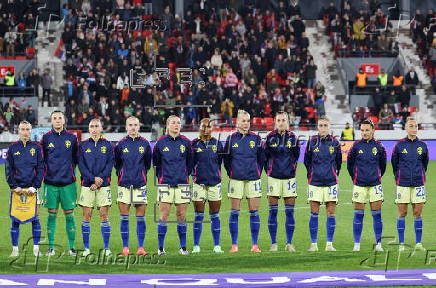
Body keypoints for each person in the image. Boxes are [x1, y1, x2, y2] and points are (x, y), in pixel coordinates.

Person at [223, 110, 264, 253]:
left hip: (253, 179)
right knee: (234, 212)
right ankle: (234, 245)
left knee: (254, 212)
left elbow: (261, 159)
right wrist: (232, 173)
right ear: (237, 122)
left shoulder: (256, 139)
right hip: (236, 180)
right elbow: (226, 161)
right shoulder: (230, 139)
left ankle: (255, 245)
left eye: (248, 121)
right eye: (243, 120)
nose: (246, 123)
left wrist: (257, 172)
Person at [153, 115, 193, 255]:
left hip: (183, 184)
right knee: (164, 216)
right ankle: (160, 248)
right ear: (167, 125)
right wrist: (162, 177)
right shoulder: (160, 142)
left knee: (182, 216)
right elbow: (156, 163)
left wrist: (183, 175)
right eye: (173, 123)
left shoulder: (186, 142)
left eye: (178, 123)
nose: (176, 125)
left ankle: (183, 247)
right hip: (165, 184)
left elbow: (190, 163)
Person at [41, 111, 78, 256]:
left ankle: (72, 247)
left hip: (68, 183)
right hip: (50, 183)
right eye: (54, 118)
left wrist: (68, 171)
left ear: (64, 120)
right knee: (51, 215)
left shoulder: (72, 138)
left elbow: (75, 158)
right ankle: (51, 248)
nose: (57, 120)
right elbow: (43, 159)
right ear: (51, 121)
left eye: (59, 118)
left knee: (70, 215)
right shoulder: (46, 138)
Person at [347, 119, 387, 252]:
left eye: (367, 130)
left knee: (377, 215)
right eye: (362, 130)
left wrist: (376, 176)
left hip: (375, 185)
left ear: (373, 130)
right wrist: (356, 178)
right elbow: (349, 165)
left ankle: (379, 244)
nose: (364, 133)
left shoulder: (379, 146)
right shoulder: (356, 146)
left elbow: (383, 166)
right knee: (358, 215)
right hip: (359, 185)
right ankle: (356, 244)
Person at [114, 116, 152, 256]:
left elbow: (147, 164)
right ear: (126, 127)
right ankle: (125, 248)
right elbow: (117, 164)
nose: (133, 127)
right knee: (124, 217)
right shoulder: (120, 144)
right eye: (130, 125)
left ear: (139, 126)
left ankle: (141, 248)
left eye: (135, 125)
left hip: (140, 185)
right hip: (124, 185)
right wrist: (123, 175)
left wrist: (140, 174)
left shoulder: (145, 144)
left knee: (140, 217)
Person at [304, 116, 342, 252]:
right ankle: (313, 244)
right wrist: (312, 174)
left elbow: (339, 162)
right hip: (315, 182)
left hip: (331, 182)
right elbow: (307, 161)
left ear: (330, 127)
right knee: (314, 213)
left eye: (326, 125)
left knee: (331, 213)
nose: (323, 128)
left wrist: (333, 174)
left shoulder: (335, 143)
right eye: (321, 125)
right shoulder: (312, 142)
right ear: (317, 127)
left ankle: (329, 244)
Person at [6, 121, 44, 257]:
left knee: (36, 219)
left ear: (31, 131)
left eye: (28, 129)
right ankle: (15, 249)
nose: (25, 132)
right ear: (18, 131)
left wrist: (35, 186)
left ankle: (36, 249)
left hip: (32, 190)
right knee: (15, 220)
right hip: (17, 190)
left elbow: (40, 169)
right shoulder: (12, 148)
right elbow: (8, 170)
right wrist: (14, 186)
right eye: (23, 129)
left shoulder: (37, 148)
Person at [264, 111, 300, 252]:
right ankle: (274, 243)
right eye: (278, 120)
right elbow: (264, 157)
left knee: (289, 213)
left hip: (289, 179)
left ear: (288, 122)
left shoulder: (294, 138)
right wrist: (269, 171)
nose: (281, 122)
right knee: (273, 212)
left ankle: (289, 243)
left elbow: (296, 156)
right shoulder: (269, 137)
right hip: (273, 178)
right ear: (275, 122)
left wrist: (291, 169)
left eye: (283, 120)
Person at [77, 118, 114, 257]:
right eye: (91, 126)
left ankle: (106, 248)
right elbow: (81, 165)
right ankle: (86, 248)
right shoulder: (83, 145)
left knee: (104, 216)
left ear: (101, 128)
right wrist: (92, 179)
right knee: (87, 216)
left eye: (96, 126)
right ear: (89, 128)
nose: (94, 128)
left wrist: (99, 180)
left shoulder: (108, 145)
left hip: (104, 185)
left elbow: (110, 165)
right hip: (87, 185)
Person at [391, 117, 429, 252]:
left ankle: (418, 243)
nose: (414, 128)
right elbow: (394, 164)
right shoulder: (399, 145)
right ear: (406, 128)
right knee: (402, 212)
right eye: (411, 126)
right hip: (403, 183)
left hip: (419, 183)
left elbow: (425, 164)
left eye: (416, 126)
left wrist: (420, 175)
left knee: (418, 213)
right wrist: (400, 177)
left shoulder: (422, 145)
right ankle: (401, 243)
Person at [191, 118, 224, 253]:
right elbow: (190, 163)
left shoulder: (217, 144)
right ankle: (196, 246)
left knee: (215, 215)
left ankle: (217, 246)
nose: (206, 129)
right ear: (200, 127)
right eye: (203, 126)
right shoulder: (193, 144)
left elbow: (221, 162)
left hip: (215, 184)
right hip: (198, 184)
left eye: (208, 126)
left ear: (212, 128)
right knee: (198, 215)